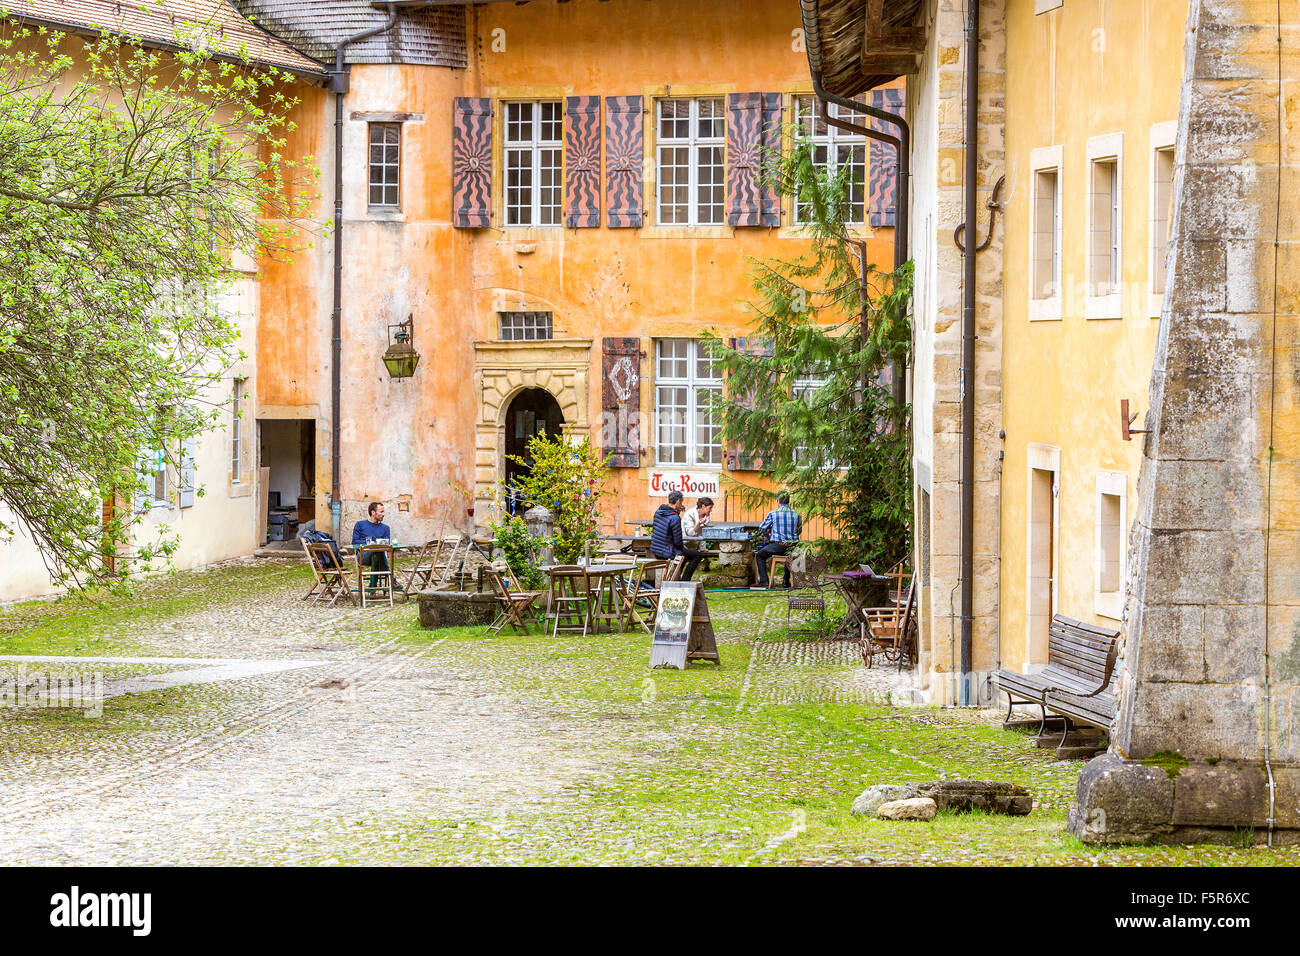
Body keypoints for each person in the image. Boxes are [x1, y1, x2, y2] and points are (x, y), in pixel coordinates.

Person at [650, 490, 708, 580]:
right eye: (681, 502)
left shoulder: (658, 512)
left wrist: (677, 511)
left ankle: (677, 577)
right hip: (666, 552)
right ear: (677, 501)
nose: (682, 504)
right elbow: (678, 542)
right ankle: (685, 581)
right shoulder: (675, 517)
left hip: (655, 549)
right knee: (697, 555)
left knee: (684, 553)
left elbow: (669, 521)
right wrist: (683, 549)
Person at [755, 491, 802, 589]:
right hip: (794, 547)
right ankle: (786, 581)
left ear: (777, 501)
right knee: (788, 555)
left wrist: (770, 529)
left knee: (760, 555)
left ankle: (764, 581)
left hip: (778, 546)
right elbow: (799, 531)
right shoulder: (797, 514)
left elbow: (762, 528)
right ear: (789, 501)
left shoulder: (773, 513)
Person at [352, 501, 402, 592]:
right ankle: (392, 580)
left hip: (378, 556)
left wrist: (376, 545)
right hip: (363, 556)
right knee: (377, 551)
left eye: (383, 512)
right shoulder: (360, 525)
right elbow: (354, 542)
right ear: (373, 512)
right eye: (381, 512)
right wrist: (369, 543)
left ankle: (372, 586)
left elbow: (386, 545)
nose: (383, 514)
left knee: (377, 552)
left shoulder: (386, 528)